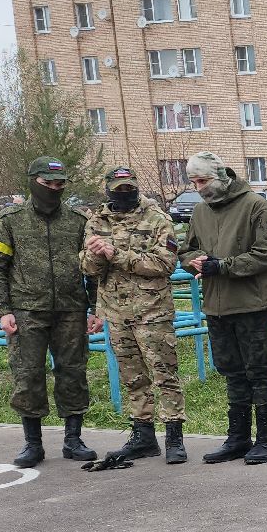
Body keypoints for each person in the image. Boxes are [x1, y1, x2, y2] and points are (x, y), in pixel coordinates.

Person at [0, 156, 102, 467]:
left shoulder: (77, 220)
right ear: (34, 181)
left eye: (60, 184)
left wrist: (96, 308)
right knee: (28, 374)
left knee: (73, 372)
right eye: (47, 183)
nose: (54, 189)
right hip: (26, 310)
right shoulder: (9, 220)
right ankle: (32, 444)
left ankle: (73, 440)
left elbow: (94, 270)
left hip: (71, 310)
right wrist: (2, 310)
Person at [177, 150, 267, 465]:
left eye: (203, 180)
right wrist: (192, 261)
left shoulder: (255, 206)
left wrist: (221, 266)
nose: (198, 187)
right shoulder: (200, 212)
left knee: (259, 372)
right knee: (231, 372)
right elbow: (188, 249)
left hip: (253, 304)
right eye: (194, 182)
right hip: (217, 306)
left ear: (221, 176)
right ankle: (238, 438)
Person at [80, 166, 188, 464]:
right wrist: (94, 254)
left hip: (152, 311)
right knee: (133, 377)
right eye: (119, 189)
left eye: (129, 188)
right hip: (115, 312)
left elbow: (164, 264)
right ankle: (143, 436)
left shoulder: (156, 219)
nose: (125, 193)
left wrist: (118, 254)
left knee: (164, 373)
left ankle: (174, 437)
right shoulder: (96, 221)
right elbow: (89, 271)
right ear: (108, 190)